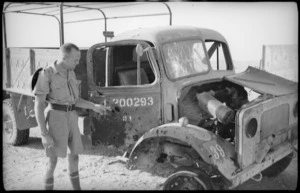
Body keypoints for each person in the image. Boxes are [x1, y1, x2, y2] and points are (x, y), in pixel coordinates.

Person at [33, 43, 110, 190]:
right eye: (75, 59)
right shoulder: (46, 74)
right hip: (56, 118)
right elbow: (38, 104)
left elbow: (76, 100)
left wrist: (94, 106)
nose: (77, 62)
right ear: (64, 58)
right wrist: (44, 134)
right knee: (52, 161)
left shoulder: (71, 73)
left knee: (74, 156)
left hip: (72, 117)